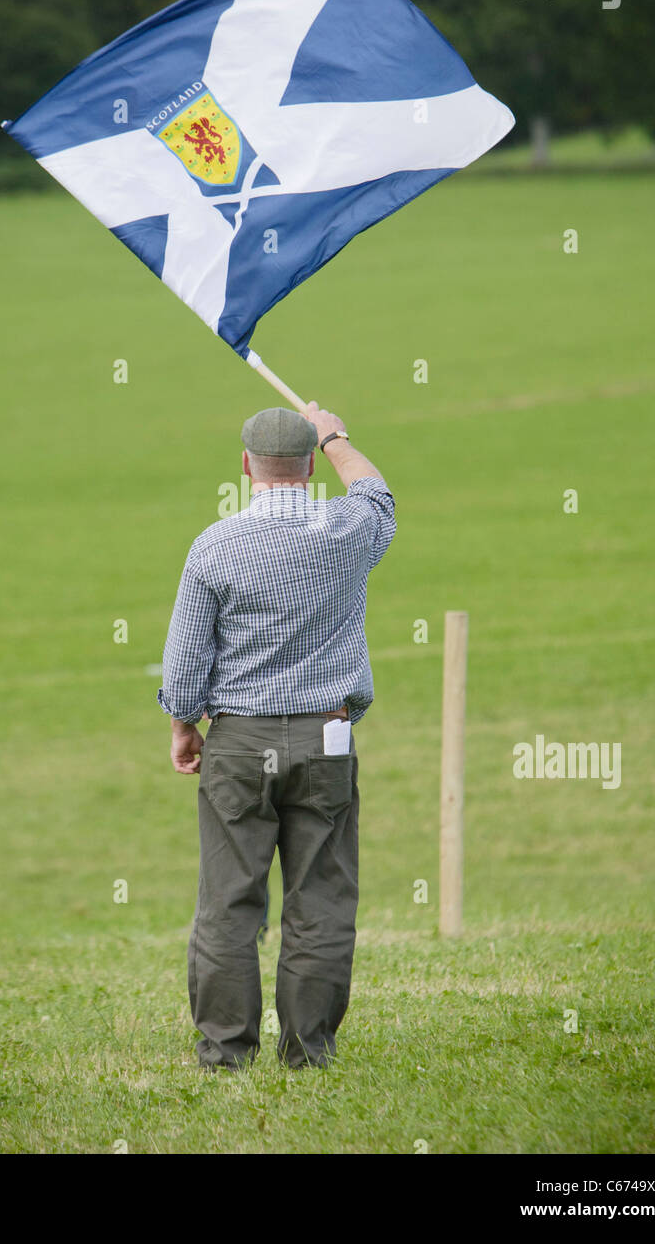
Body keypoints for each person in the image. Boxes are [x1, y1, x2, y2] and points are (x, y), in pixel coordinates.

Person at [157, 401, 396, 1070]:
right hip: (327, 739)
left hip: (236, 741)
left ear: (246, 467)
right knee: (321, 897)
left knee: (228, 903)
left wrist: (184, 724)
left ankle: (225, 1054)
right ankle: (308, 1052)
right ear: (311, 463)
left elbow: (183, 664)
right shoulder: (349, 530)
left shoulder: (214, 544)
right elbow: (379, 494)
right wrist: (339, 434)